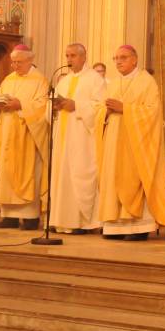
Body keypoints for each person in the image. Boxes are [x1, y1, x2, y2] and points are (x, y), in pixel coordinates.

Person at [95, 45, 165, 240]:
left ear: (135, 60)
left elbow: (153, 112)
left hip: (136, 143)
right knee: (112, 177)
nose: (118, 61)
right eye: (116, 58)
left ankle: (138, 228)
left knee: (134, 178)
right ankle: (114, 227)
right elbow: (100, 111)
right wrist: (106, 112)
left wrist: (124, 108)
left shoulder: (147, 82)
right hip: (113, 140)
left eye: (123, 57)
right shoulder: (112, 83)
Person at [0, 44, 49, 230]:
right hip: (6, 132)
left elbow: (42, 107)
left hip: (27, 135)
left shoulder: (40, 81)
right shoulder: (8, 79)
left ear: (30, 60)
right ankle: (9, 217)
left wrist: (20, 105)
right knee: (6, 173)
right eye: (13, 62)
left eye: (19, 62)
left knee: (27, 173)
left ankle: (30, 218)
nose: (15, 66)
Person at [49, 43, 105, 234]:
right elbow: (55, 102)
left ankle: (82, 222)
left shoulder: (95, 79)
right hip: (63, 136)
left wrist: (77, 106)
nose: (69, 60)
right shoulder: (64, 81)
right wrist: (55, 106)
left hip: (83, 137)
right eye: (67, 55)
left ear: (83, 57)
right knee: (62, 176)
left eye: (73, 55)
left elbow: (100, 107)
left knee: (80, 175)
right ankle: (62, 220)